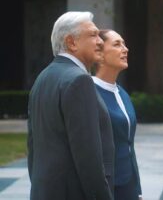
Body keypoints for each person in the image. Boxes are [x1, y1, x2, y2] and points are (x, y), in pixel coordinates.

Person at [27, 11, 115, 200]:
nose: (100, 41)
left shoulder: (42, 78)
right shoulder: (79, 80)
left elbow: (33, 149)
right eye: (93, 35)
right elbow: (88, 158)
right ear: (71, 42)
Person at [92, 29, 142, 200]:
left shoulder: (123, 94)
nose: (125, 49)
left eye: (124, 43)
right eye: (117, 44)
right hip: (105, 186)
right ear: (100, 54)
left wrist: (137, 189)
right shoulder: (88, 92)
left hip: (128, 184)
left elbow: (129, 144)